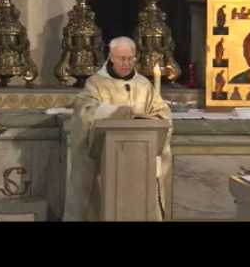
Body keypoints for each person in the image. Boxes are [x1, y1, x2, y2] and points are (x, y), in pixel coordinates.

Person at [64, 37, 172, 222]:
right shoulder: (96, 83)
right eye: (122, 58)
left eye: (130, 58)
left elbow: (162, 113)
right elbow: (84, 111)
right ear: (111, 57)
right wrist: (112, 112)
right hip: (106, 162)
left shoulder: (144, 84)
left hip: (140, 158)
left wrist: (153, 119)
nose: (126, 63)